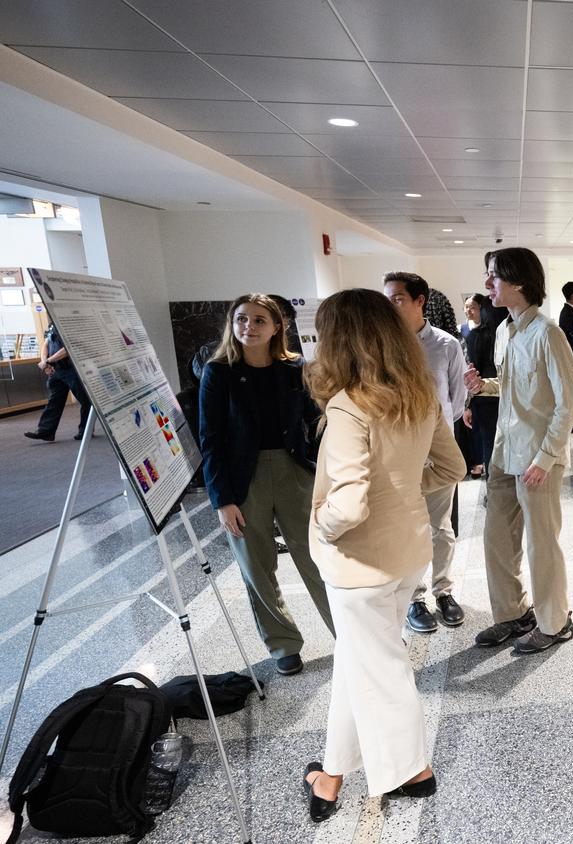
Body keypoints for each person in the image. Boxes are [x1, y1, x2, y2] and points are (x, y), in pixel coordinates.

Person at [301, 288, 466, 822]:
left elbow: (346, 504)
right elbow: (453, 468)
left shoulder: (350, 405)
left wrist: (321, 524)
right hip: (407, 553)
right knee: (361, 661)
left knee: (382, 667)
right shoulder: (417, 394)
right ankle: (330, 775)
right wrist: (403, 494)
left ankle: (412, 770)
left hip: (358, 564)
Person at [198, 294, 334, 676]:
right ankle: (283, 644)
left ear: (277, 327)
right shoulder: (218, 372)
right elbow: (210, 439)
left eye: (259, 320)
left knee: (318, 558)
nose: (249, 327)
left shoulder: (295, 369)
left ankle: (348, 631)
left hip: (295, 473)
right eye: (242, 319)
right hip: (244, 479)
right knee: (257, 565)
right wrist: (222, 499)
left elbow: (319, 420)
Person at [464, 247, 573, 654]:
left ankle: (555, 622)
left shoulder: (548, 333)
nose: (487, 284)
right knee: (497, 537)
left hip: (537, 460)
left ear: (518, 282)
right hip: (503, 451)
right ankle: (513, 613)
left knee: (541, 542)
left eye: (493, 276)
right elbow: (514, 390)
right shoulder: (503, 331)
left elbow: (570, 400)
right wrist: (485, 388)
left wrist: (546, 457)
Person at [383, 272, 468, 635]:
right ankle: (415, 598)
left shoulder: (446, 344)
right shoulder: (381, 345)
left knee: (441, 527)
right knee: (407, 528)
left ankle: (444, 591)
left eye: (397, 298)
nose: (389, 305)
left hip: (437, 451)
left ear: (420, 300)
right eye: (386, 298)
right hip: (398, 454)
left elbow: (457, 397)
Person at [24, 323, 92, 443]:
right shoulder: (51, 326)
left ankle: (86, 430)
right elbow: (46, 344)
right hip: (57, 370)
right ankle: (46, 431)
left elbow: (68, 348)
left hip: (73, 369)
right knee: (54, 400)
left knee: (85, 400)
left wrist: (49, 361)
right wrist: (45, 362)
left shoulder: (69, 324)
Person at [463, 292, 504, 478]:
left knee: (490, 442)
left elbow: (474, 373)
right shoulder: (507, 334)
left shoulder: (477, 336)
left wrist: (468, 404)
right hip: (501, 394)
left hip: (485, 395)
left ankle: (494, 486)